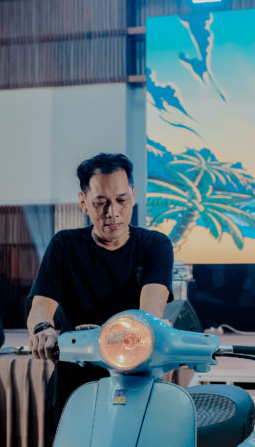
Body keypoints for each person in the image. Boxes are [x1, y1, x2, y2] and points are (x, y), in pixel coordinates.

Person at [27, 153, 174, 431]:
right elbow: (40, 307)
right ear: (83, 201)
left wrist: (106, 335)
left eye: (121, 200)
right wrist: (43, 329)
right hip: (74, 385)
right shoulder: (64, 245)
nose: (112, 211)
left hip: (134, 381)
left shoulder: (155, 245)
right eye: (100, 202)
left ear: (133, 195)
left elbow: (151, 312)